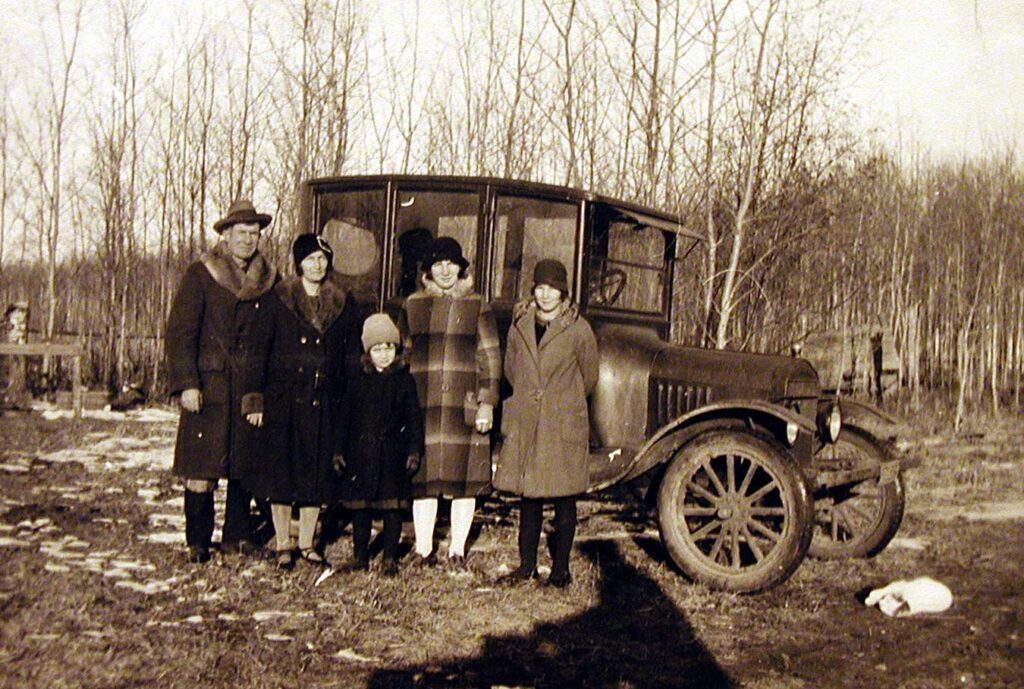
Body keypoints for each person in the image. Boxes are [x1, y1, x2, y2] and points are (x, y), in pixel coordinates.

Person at [166, 199, 278, 564]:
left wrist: (262, 389)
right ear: (226, 235)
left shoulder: (267, 280)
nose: (248, 240)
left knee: (242, 467)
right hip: (210, 387)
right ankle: (198, 540)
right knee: (201, 468)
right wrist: (187, 383)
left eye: (254, 234)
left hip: (247, 388)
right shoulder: (202, 273)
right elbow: (181, 331)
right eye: (241, 233)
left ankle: (237, 537)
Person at [242, 234, 356, 570]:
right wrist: (255, 401)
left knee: (315, 476)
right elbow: (257, 354)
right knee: (281, 475)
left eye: (322, 259)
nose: (317, 265)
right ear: (299, 264)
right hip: (283, 403)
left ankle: (307, 543)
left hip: (324, 403)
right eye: (310, 259)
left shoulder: (341, 302)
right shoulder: (278, 301)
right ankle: (283, 545)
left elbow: (349, 355)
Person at [494, 259, 599, 588]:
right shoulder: (519, 324)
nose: (545, 294)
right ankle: (526, 566)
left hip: (560, 422)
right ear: (533, 290)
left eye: (552, 288)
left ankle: (561, 571)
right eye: (540, 287)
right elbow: (511, 370)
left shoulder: (578, 328)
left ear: (563, 292)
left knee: (564, 497)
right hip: (527, 419)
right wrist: (529, 396)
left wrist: (560, 401)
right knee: (530, 498)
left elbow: (589, 377)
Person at [402, 236, 501, 566]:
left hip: (464, 405)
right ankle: (424, 547)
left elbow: (490, 357)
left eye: (451, 264)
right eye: (437, 265)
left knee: (464, 482)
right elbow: (403, 355)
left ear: (461, 268)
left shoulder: (477, 305)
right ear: (428, 271)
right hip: (423, 404)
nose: (445, 271)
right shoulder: (414, 305)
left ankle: (457, 549)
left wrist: (487, 401)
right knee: (424, 481)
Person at [334, 313, 423, 576]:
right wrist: (338, 450)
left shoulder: (404, 380)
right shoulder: (357, 379)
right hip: (360, 455)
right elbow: (344, 418)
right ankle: (360, 555)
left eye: (389, 348)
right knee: (361, 509)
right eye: (377, 349)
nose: (383, 354)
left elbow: (414, 418)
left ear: (396, 349)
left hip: (392, 456)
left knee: (391, 509)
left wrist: (414, 450)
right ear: (367, 352)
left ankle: (389, 558)